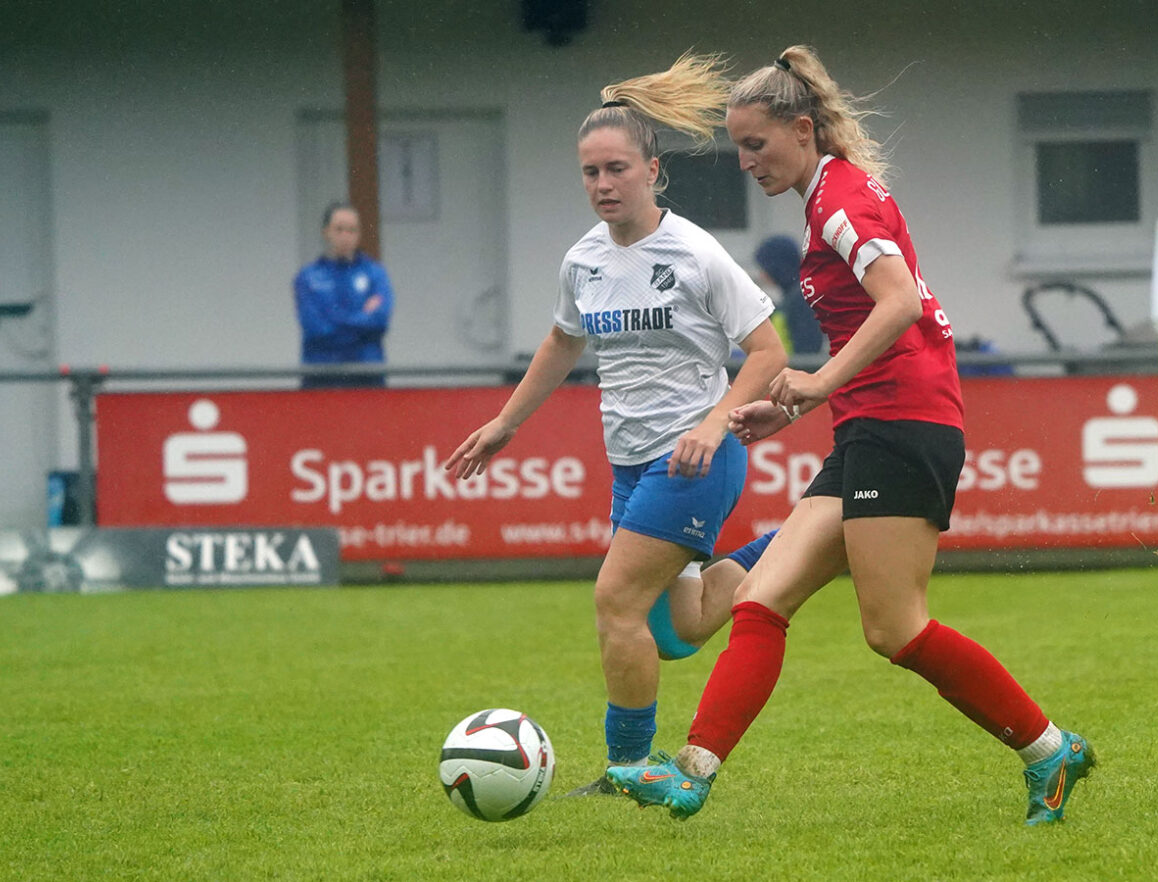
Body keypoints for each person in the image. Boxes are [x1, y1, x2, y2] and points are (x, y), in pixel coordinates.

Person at [606, 46, 1094, 823]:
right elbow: (883, 321)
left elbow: (899, 303)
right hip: (873, 427)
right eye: (738, 147)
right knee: (760, 601)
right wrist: (798, 405)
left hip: (903, 428)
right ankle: (692, 771)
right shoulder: (831, 193)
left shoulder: (838, 200)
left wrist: (819, 382)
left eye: (756, 144)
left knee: (894, 629)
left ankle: (1050, 750)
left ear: (802, 130)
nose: (745, 162)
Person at [441, 53, 788, 796]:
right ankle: (795, 546)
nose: (603, 184)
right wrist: (505, 423)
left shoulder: (694, 254)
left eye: (617, 169)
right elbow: (563, 340)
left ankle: (629, 767)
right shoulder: (584, 260)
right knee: (677, 631)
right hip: (630, 465)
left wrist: (715, 423)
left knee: (615, 601)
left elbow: (768, 352)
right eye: (591, 172)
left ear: (653, 170)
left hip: (694, 459)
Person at [293, 203, 394, 388]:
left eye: (352, 230)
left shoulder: (375, 274)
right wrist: (362, 320)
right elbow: (317, 329)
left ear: (359, 234)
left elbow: (379, 321)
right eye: (339, 229)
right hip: (321, 381)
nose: (345, 236)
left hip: (367, 380)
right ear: (326, 232)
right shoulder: (308, 277)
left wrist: (336, 319)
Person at [753, 234, 824, 355]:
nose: (762, 275)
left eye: (765, 268)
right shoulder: (795, 296)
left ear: (777, 267)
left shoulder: (801, 299)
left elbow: (807, 351)